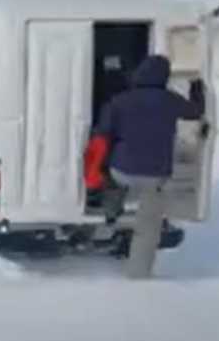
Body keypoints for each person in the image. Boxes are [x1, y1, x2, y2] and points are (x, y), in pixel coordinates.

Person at [86, 55, 206, 278]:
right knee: (147, 228)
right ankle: (138, 275)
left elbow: (102, 133)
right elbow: (195, 111)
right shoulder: (170, 100)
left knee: (112, 176)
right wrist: (197, 88)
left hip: (122, 170)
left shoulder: (120, 101)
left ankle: (112, 209)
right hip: (155, 175)